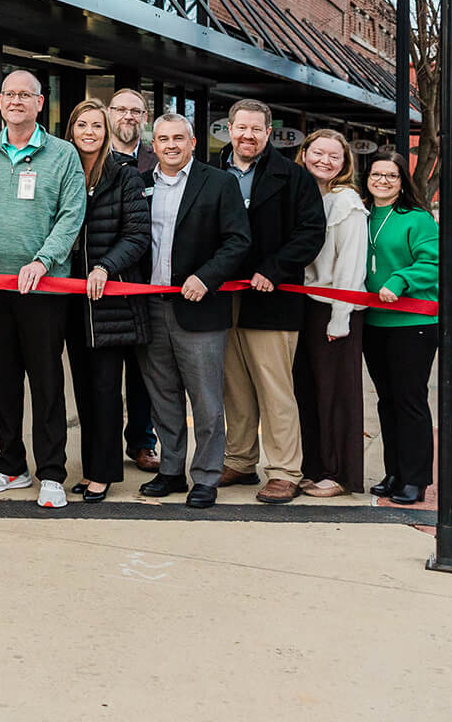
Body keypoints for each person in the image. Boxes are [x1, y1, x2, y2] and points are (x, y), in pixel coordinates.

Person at [0, 71, 87, 510]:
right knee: (2, 381)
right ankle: (10, 465)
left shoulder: (63, 154)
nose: (16, 101)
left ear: (40, 103)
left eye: (25, 95)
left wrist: (43, 260)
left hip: (44, 289)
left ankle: (51, 471)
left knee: (47, 381)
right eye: (9, 94)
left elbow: (72, 215)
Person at [137, 112, 253, 509]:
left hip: (200, 307)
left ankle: (205, 476)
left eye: (177, 138)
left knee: (205, 399)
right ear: (153, 145)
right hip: (151, 305)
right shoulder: (141, 184)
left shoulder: (219, 183)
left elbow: (238, 241)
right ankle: (170, 470)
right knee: (163, 395)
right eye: (162, 139)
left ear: (192, 142)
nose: (170, 145)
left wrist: (206, 277)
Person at [217, 99, 327, 505]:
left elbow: (311, 232)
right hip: (223, 297)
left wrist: (275, 268)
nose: (247, 135)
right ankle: (240, 459)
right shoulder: (211, 172)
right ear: (229, 129)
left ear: (268, 133)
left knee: (275, 388)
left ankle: (284, 471)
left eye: (256, 129)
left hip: (273, 297)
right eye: (240, 127)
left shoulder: (293, 177)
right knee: (235, 387)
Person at [61, 100, 151, 503]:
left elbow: (137, 235)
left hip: (108, 299)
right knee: (82, 389)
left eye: (98, 125)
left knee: (105, 388)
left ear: (108, 130)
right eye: (82, 124)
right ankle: (91, 466)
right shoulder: (60, 171)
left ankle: (103, 473)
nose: (90, 131)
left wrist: (104, 267)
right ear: (72, 129)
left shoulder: (124, 177)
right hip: (67, 297)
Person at [360, 147, 439, 506]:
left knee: (410, 400)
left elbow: (433, 262)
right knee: (386, 401)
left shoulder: (417, 218)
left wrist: (401, 279)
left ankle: (415, 479)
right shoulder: (361, 215)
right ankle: (393, 472)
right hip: (373, 321)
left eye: (391, 176)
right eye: (377, 174)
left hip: (413, 322)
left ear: (401, 181)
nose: (383, 181)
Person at [293, 129, 369, 498]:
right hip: (306, 306)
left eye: (333, 156)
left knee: (337, 394)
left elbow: (351, 268)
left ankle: (340, 473)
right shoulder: (306, 194)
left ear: (344, 164)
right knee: (309, 393)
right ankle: (317, 466)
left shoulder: (347, 202)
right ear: (304, 153)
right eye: (317, 152)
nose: (324, 160)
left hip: (337, 311)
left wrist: (340, 319)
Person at [104, 87, 159, 470]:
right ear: (109, 113)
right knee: (104, 375)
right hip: (100, 281)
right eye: (120, 109)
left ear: (145, 117)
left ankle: (142, 442)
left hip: (147, 281)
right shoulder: (90, 159)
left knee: (144, 373)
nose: (127, 116)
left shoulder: (159, 162)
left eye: (135, 110)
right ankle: (103, 445)